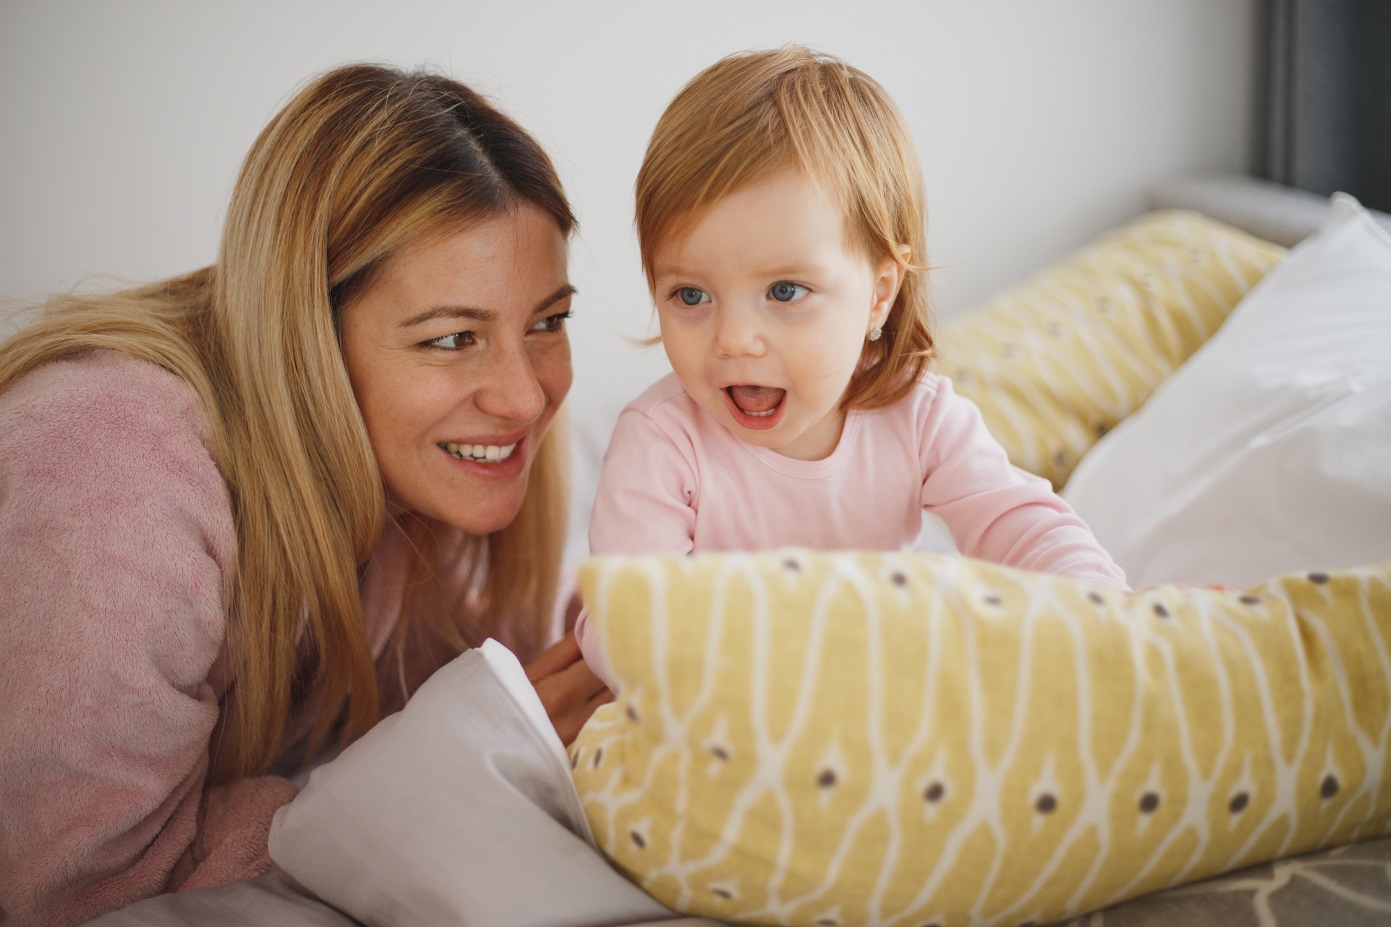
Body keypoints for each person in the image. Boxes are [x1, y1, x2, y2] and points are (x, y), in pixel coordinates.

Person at [0, 64, 612, 927]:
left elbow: (509, 694)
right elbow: (71, 885)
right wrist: (413, 798)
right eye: (450, 338)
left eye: (547, 321)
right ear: (307, 340)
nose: (524, 394)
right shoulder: (107, 470)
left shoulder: (425, 469)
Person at [579, 47, 1126, 682]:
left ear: (879, 294)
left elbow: (1023, 526)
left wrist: (1116, 620)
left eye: (784, 292)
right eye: (691, 296)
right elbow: (623, 621)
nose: (734, 340)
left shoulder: (917, 416)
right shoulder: (661, 442)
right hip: (726, 710)